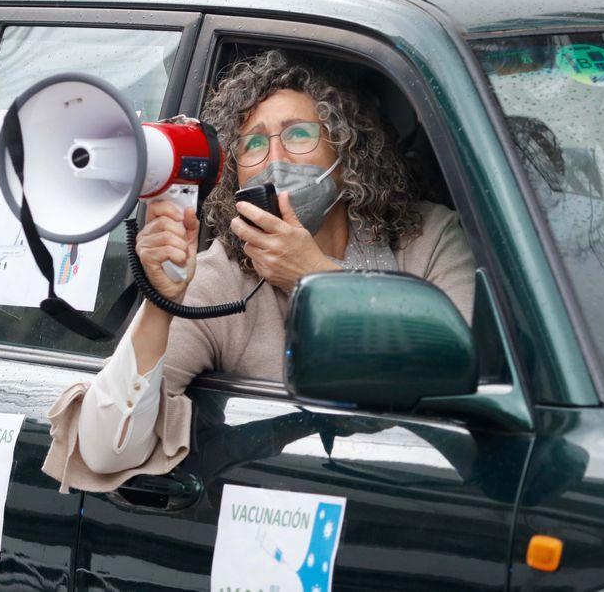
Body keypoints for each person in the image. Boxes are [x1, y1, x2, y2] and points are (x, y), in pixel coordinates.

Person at [42, 49, 476, 493]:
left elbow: (466, 381)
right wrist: (160, 303)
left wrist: (314, 278)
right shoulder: (224, 277)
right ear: (234, 175)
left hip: (419, 495)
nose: (274, 158)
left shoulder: (427, 238)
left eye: (299, 134)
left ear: (347, 156)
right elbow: (105, 450)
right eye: (253, 143)